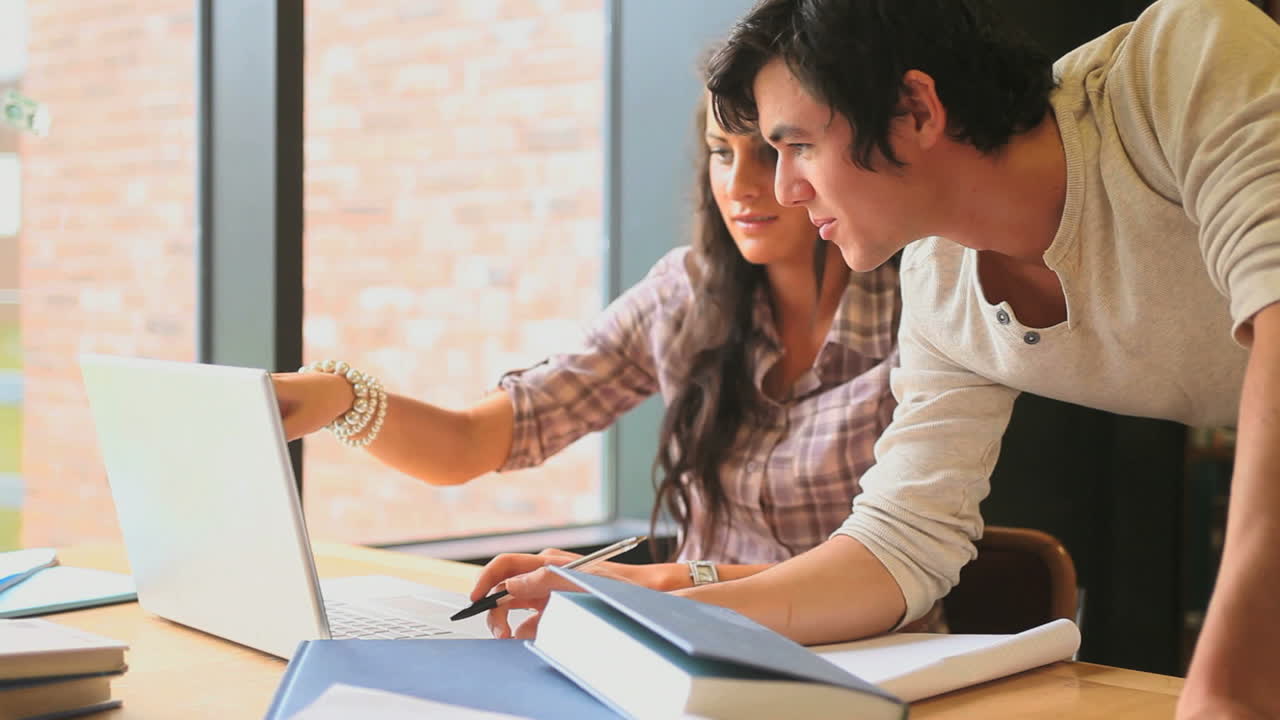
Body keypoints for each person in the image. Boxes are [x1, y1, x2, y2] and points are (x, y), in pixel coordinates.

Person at [472, 0, 1280, 717]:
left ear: (914, 109)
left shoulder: (1177, 64)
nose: (783, 190)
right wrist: (643, 598)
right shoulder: (937, 283)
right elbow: (897, 548)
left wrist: (1225, 691)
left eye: (797, 146)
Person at [276, 92, 904, 639]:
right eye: (721, 152)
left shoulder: (918, 309)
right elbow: (472, 441)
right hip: (698, 646)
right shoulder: (684, 297)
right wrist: (341, 397)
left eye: (768, 152)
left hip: (878, 658)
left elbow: (895, 565)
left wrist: (659, 582)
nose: (740, 184)